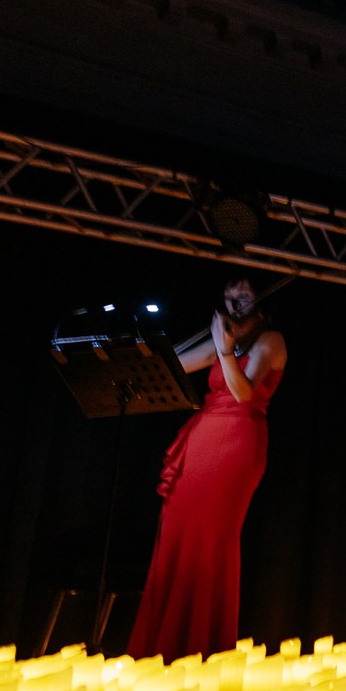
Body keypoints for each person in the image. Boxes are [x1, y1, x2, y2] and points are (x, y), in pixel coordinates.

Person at [126, 278, 288, 657]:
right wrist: (139, 355)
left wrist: (225, 349)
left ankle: (202, 645)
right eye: (228, 297)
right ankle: (162, 645)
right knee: (178, 532)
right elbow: (175, 366)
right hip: (202, 441)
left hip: (237, 444)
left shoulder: (270, 341)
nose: (233, 304)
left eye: (243, 296)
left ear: (262, 300)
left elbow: (243, 393)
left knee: (211, 539)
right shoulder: (224, 340)